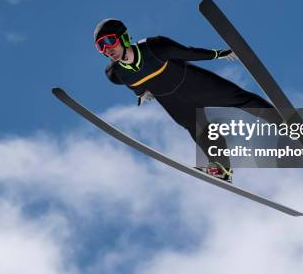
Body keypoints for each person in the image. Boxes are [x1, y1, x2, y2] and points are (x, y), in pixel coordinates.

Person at [95, 18, 281, 183]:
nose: (107, 49)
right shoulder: (114, 74)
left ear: (123, 37)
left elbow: (188, 53)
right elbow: (132, 83)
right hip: (173, 102)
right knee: (199, 129)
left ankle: (284, 123)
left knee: (239, 99)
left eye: (109, 41)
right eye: (100, 46)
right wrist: (141, 93)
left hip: (195, 84)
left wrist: (218, 54)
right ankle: (222, 168)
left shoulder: (155, 46)